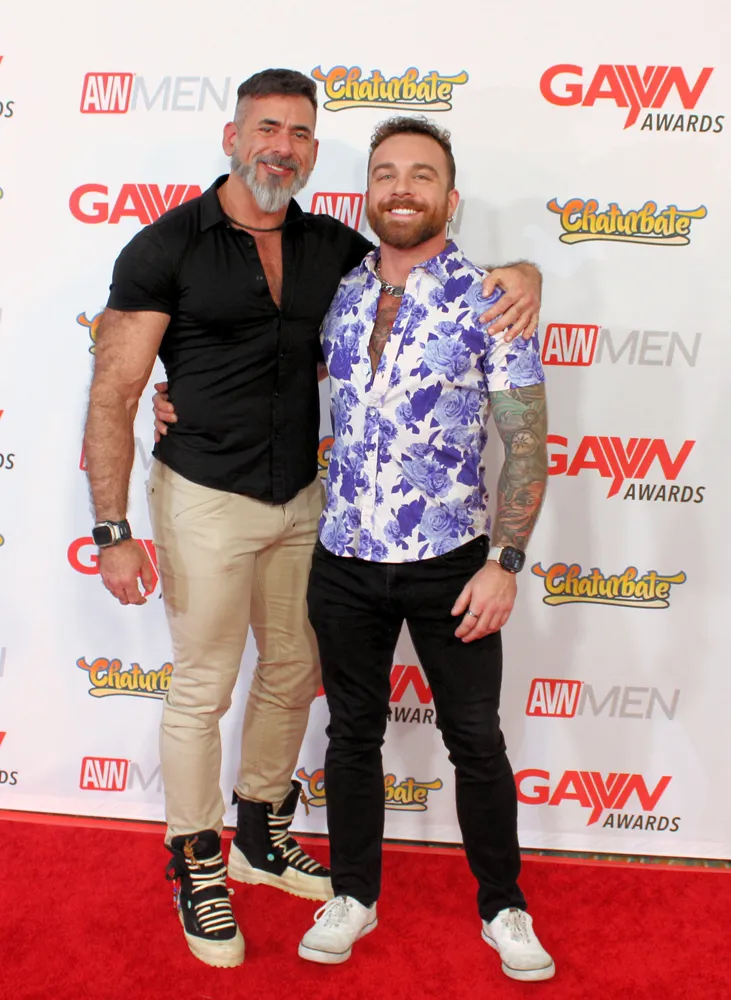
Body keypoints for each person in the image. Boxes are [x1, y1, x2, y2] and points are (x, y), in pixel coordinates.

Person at [84, 67, 542, 970]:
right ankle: (198, 863)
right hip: (209, 497)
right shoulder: (165, 246)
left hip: (313, 509)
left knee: (295, 677)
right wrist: (112, 527)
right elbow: (114, 391)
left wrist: (526, 272)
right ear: (232, 137)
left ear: (313, 153)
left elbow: (431, 270)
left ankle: (262, 834)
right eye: (265, 128)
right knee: (205, 685)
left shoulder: (335, 251)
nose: (279, 147)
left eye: (297, 133)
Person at [296, 117, 554, 982]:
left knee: (474, 739)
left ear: (450, 197)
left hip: (452, 562)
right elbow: (268, 370)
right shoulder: (338, 291)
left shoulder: (492, 298)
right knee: (351, 735)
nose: (400, 188)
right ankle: (353, 894)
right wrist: (177, 398)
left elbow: (526, 443)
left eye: (420, 174)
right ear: (366, 191)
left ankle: (503, 905)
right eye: (385, 173)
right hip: (342, 558)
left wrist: (504, 563)